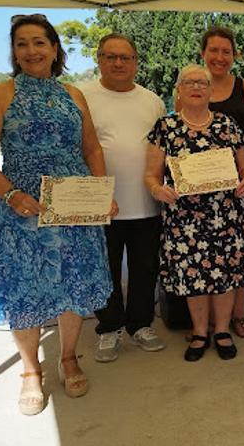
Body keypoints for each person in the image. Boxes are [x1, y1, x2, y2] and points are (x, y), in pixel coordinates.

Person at [0, 14, 116, 415]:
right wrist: (11, 194)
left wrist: (100, 192)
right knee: (23, 289)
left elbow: (91, 149)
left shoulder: (74, 95)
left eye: (39, 42)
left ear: (54, 49)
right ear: (14, 52)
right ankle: (31, 370)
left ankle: (68, 357)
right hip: (21, 209)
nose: (31, 51)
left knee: (73, 283)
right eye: (21, 44)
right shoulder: (1, 93)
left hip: (73, 205)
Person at [144, 64, 244, 362]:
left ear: (210, 90)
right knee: (194, 277)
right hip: (184, 219)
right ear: (179, 89)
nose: (196, 87)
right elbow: (151, 175)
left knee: (225, 275)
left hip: (225, 216)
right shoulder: (164, 127)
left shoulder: (228, 125)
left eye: (202, 82)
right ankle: (199, 331)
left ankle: (221, 330)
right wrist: (158, 190)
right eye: (188, 82)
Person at [80, 33, 167, 362]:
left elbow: (164, 147)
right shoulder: (83, 96)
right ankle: (109, 328)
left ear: (135, 62)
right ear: (99, 59)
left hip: (146, 201)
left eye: (125, 57)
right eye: (110, 56)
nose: (118, 63)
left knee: (146, 267)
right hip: (101, 205)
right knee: (106, 268)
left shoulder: (152, 101)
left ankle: (141, 325)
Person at [200, 26, 244, 338]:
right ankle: (210, 320)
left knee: (238, 250)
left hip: (239, 178)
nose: (220, 57)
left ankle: (238, 316)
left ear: (234, 55)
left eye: (226, 51)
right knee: (204, 250)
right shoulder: (192, 86)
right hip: (201, 185)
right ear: (203, 54)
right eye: (214, 50)